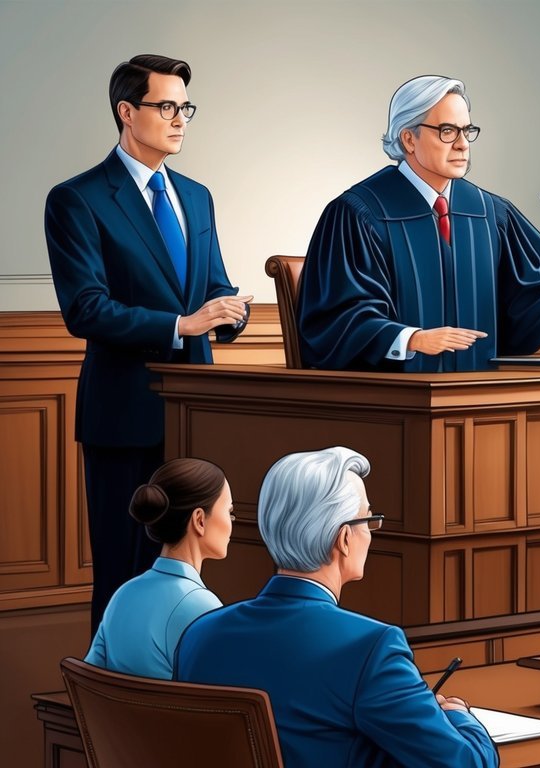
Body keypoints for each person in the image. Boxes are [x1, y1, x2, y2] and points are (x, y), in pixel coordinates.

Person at [44, 54, 250, 629]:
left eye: (185, 107)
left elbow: (209, 285)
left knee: (192, 570)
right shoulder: (78, 199)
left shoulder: (197, 195)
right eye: (166, 106)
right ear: (127, 112)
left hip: (196, 412)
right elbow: (86, 309)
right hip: (123, 411)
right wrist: (180, 325)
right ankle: (111, 695)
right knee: (123, 568)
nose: (180, 118)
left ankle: (182, 683)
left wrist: (230, 313)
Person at [299, 75, 540, 372]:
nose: (463, 144)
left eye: (468, 131)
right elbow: (338, 319)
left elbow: (538, 290)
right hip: (397, 406)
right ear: (408, 139)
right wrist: (411, 339)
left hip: (481, 395)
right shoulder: (359, 213)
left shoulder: (489, 212)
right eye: (447, 131)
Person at [176, 447, 499, 768]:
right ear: (344, 538)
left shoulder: (198, 635)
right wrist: (459, 716)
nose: (370, 535)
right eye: (368, 520)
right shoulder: (370, 647)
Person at [85, 458, 232, 679]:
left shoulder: (124, 594)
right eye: (229, 511)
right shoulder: (203, 607)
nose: (232, 522)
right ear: (199, 520)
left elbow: (88, 680)